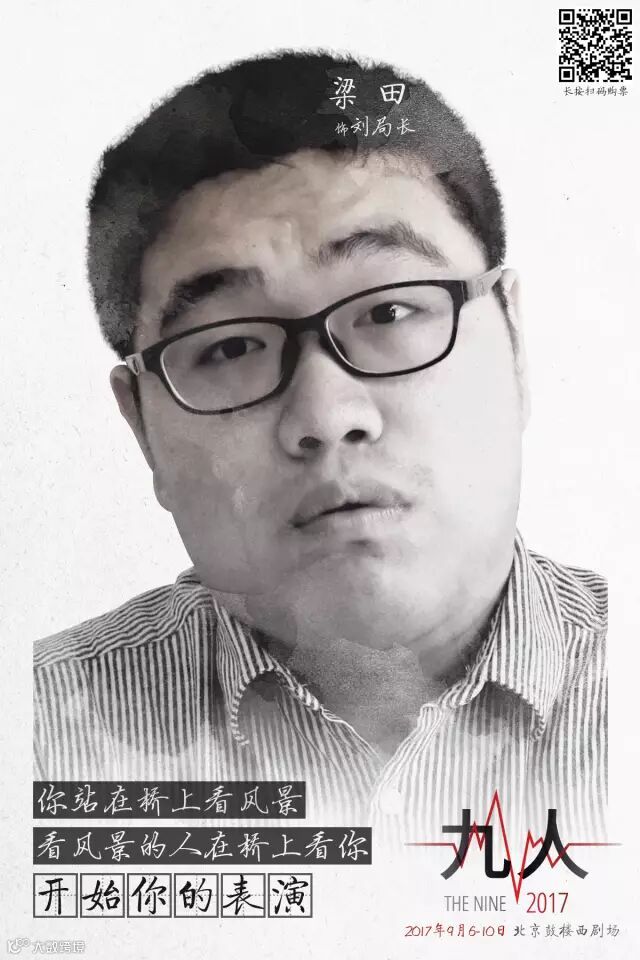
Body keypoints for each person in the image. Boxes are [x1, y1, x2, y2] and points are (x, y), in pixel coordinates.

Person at [33, 50, 607, 844]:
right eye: (230, 348)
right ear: (142, 427)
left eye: (388, 312)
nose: (327, 415)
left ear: (512, 345)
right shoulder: (33, 736)